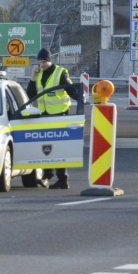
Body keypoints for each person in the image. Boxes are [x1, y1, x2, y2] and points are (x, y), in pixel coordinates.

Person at [26, 48, 80, 189]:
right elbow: (30, 95)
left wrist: (81, 98)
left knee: (58, 148)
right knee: (45, 146)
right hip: (44, 115)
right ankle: (47, 174)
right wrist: (33, 77)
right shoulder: (39, 74)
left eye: (44, 61)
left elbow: (70, 89)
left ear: (50, 60)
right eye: (39, 62)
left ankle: (62, 179)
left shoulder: (60, 72)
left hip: (59, 115)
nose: (41, 64)